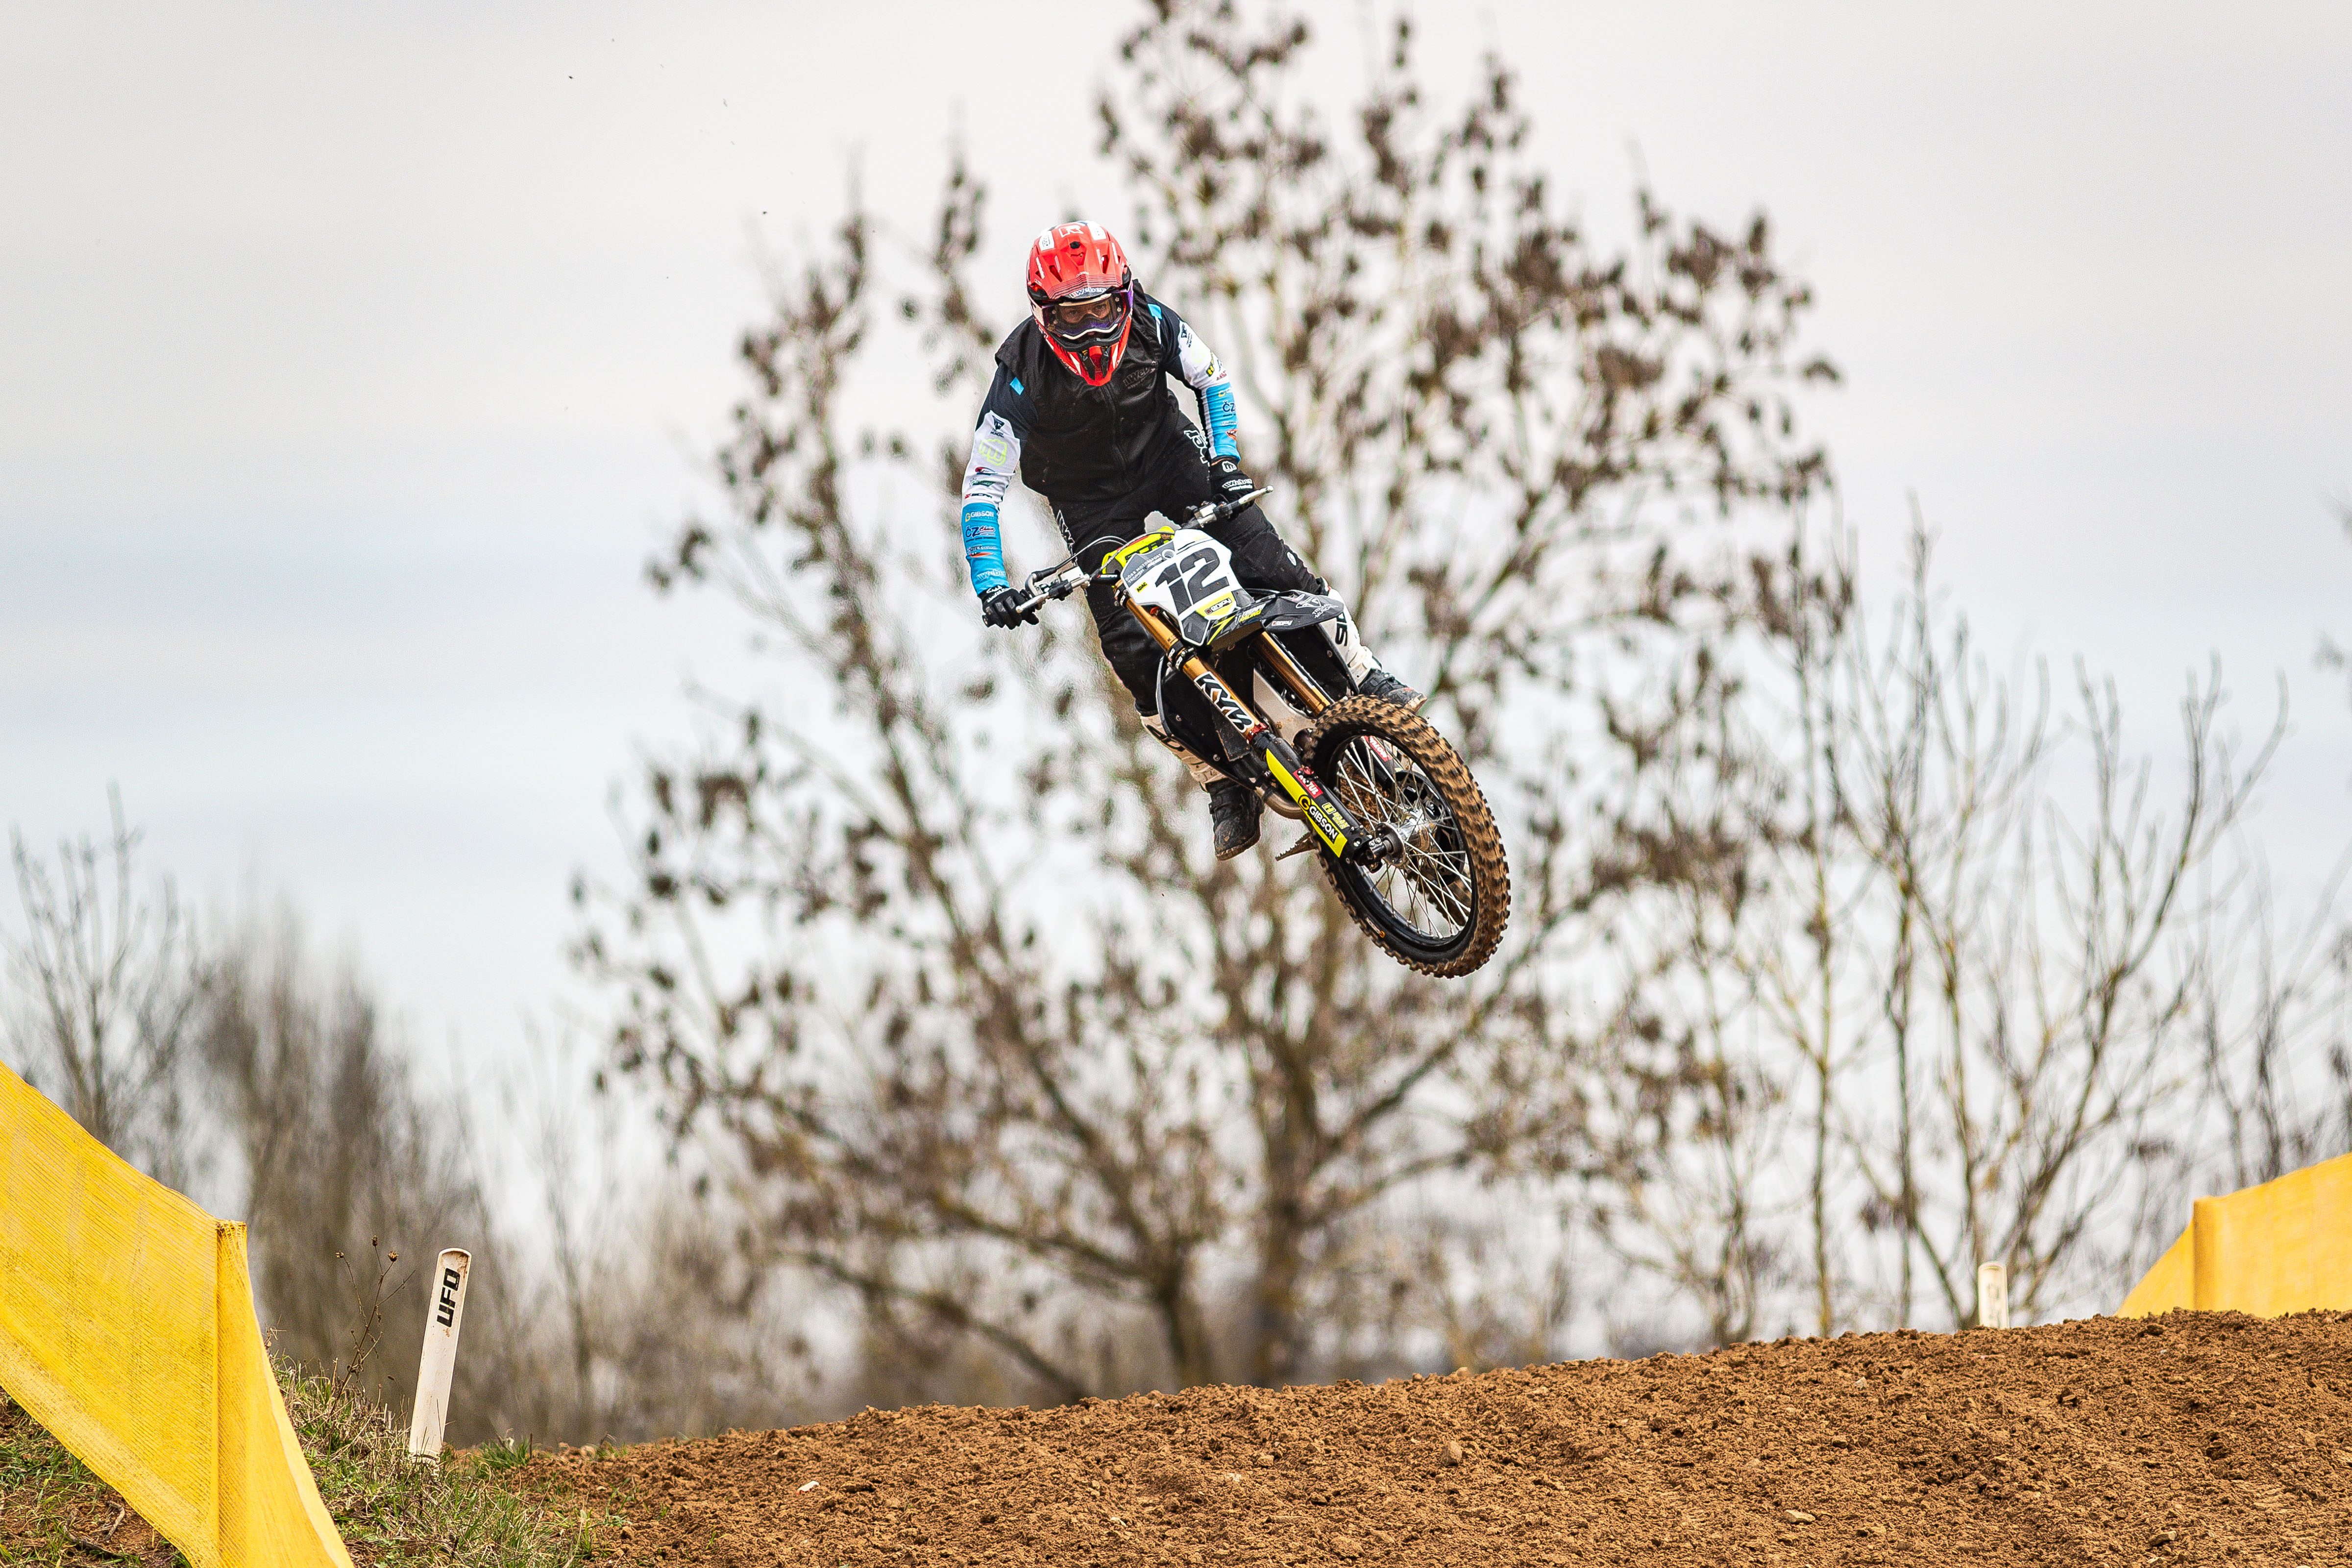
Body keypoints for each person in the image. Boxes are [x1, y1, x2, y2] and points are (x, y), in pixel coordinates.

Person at [958, 220, 1421, 860]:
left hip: (1167, 456)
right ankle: (1220, 784)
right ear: (1044, 315)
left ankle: (1366, 676)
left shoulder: (1153, 321)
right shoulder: (1018, 376)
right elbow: (982, 487)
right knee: (1129, 647)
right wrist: (992, 584)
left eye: (1102, 310)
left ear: (1125, 296)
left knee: (1266, 557)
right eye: (1073, 317)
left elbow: (1212, 379)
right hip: (1088, 501)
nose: (1092, 330)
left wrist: (1225, 463)